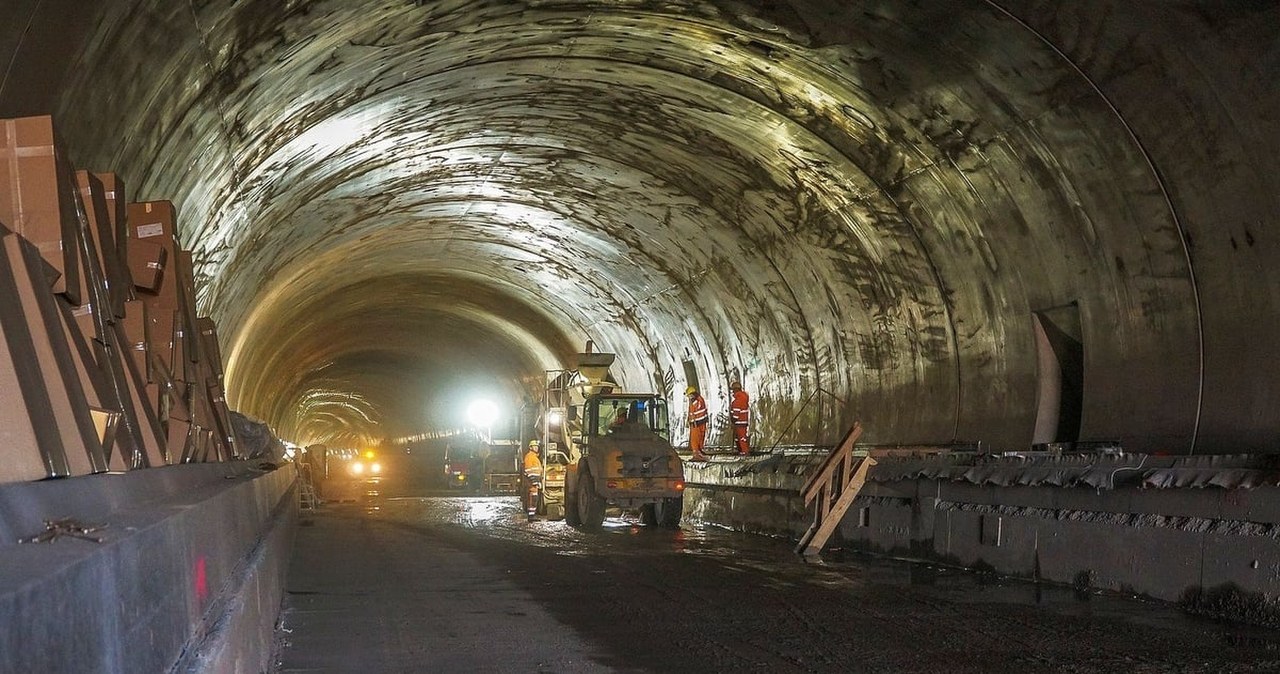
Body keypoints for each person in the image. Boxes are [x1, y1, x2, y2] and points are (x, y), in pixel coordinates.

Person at [686, 385, 709, 461]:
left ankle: (696, 454)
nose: (688, 397)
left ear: (692, 394)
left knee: (694, 439)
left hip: (696, 423)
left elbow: (693, 412)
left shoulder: (695, 402)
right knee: (700, 438)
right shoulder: (700, 399)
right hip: (701, 421)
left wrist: (690, 421)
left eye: (689, 395)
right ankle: (699, 452)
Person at [730, 380, 750, 455]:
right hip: (743, 421)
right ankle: (742, 450)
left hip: (739, 422)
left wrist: (733, 420)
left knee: (741, 438)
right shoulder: (744, 398)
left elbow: (736, 413)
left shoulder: (738, 400)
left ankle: (744, 451)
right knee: (741, 437)